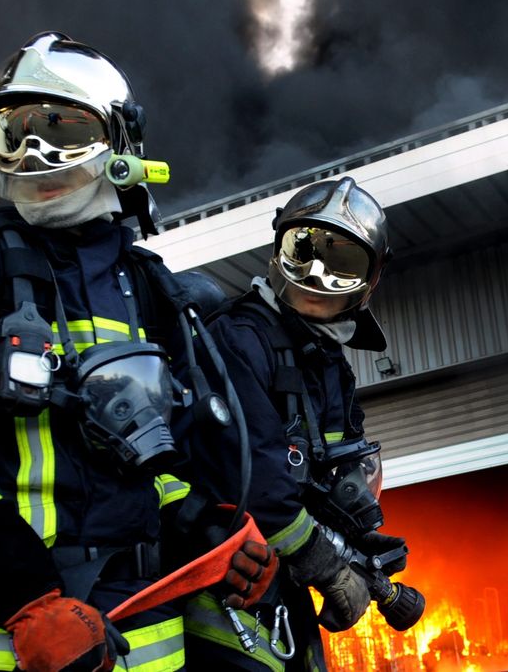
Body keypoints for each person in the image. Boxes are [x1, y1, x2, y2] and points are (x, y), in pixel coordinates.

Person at [0, 31, 274, 672]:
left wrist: (206, 528)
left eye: (62, 129)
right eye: (16, 133)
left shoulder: (146, 287)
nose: (36, 154)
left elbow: (151, 460)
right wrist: (28, 602)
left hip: (147, 629)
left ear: (121, 143)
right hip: (9, 639)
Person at [181, 177, 419, 671]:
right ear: (277, 250)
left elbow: (329, 476)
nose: (317, 273)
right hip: (227, 590)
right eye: (304, 250)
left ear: (370, 280)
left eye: (343, 263)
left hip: (282, 589)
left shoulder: (329, 362)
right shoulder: (238, 339)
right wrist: (329, 567)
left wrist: (356, 543)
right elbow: (257, 482)